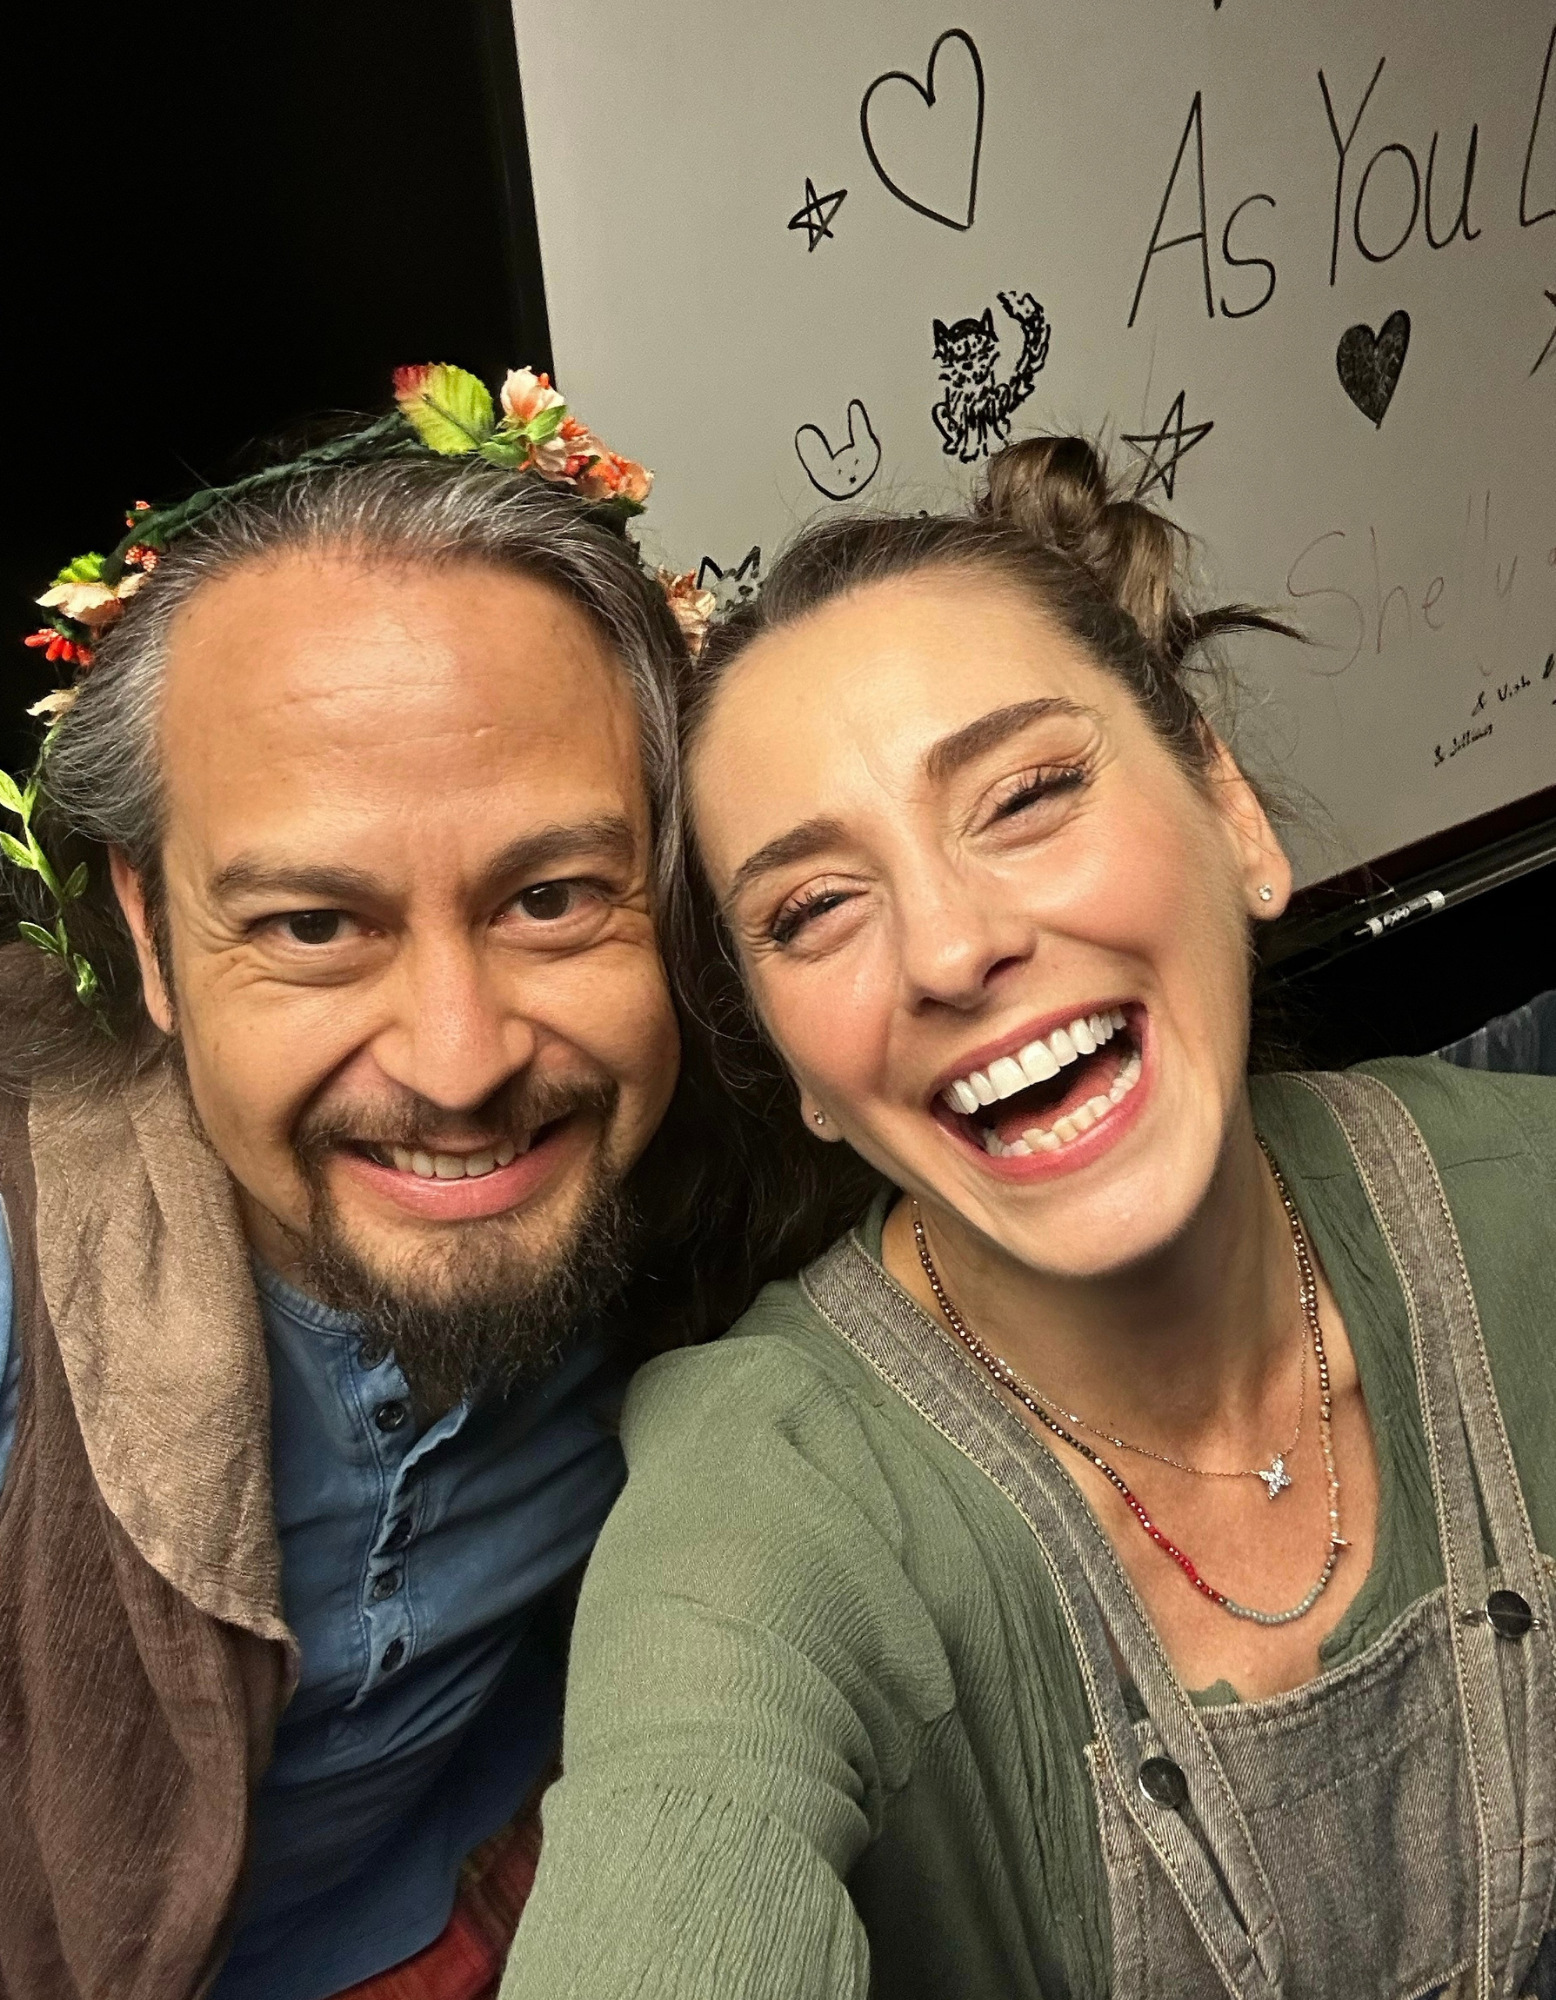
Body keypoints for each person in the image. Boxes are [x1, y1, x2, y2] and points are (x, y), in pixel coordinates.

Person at [500, 436, 1556, 1999]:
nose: (949, 948)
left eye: (1028, 795)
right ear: (793, 1068)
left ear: (1231, 812)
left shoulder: (1528, 1199)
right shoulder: (766, 1505)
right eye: (814, 908)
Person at [0, 365, 730, 2000]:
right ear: (149, 935)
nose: (460, 1065)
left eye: (553, 898)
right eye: (315, 926)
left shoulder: (738, 1178)